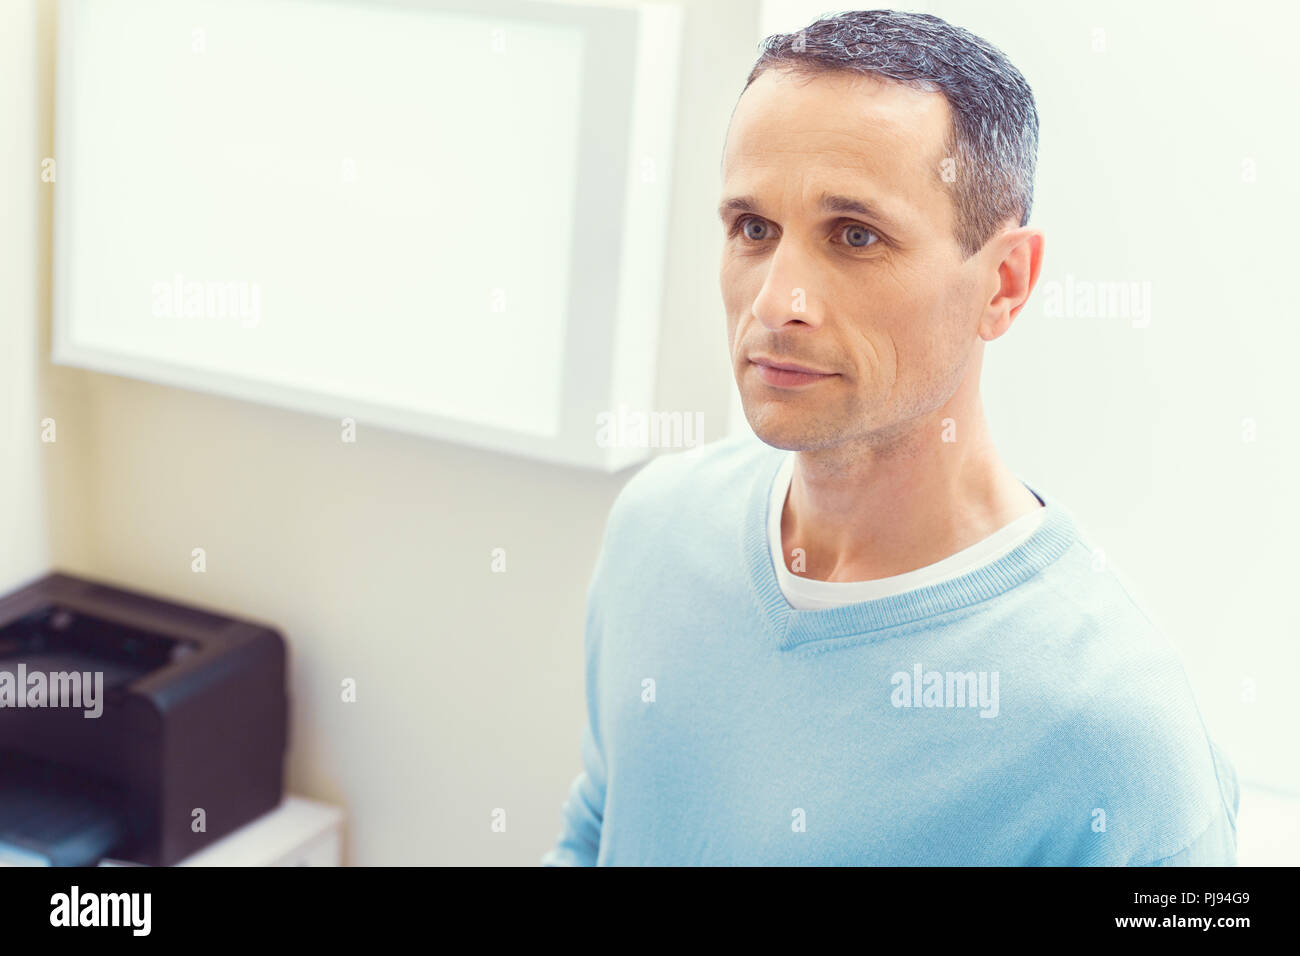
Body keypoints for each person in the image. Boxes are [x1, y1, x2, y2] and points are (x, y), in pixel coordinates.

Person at [542, 9, 1238, 866]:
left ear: (1005, 282)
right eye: (753, 229)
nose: (775, 302)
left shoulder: (1118, 738)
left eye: (855, 235)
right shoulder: (654, 528)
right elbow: (594, 836)